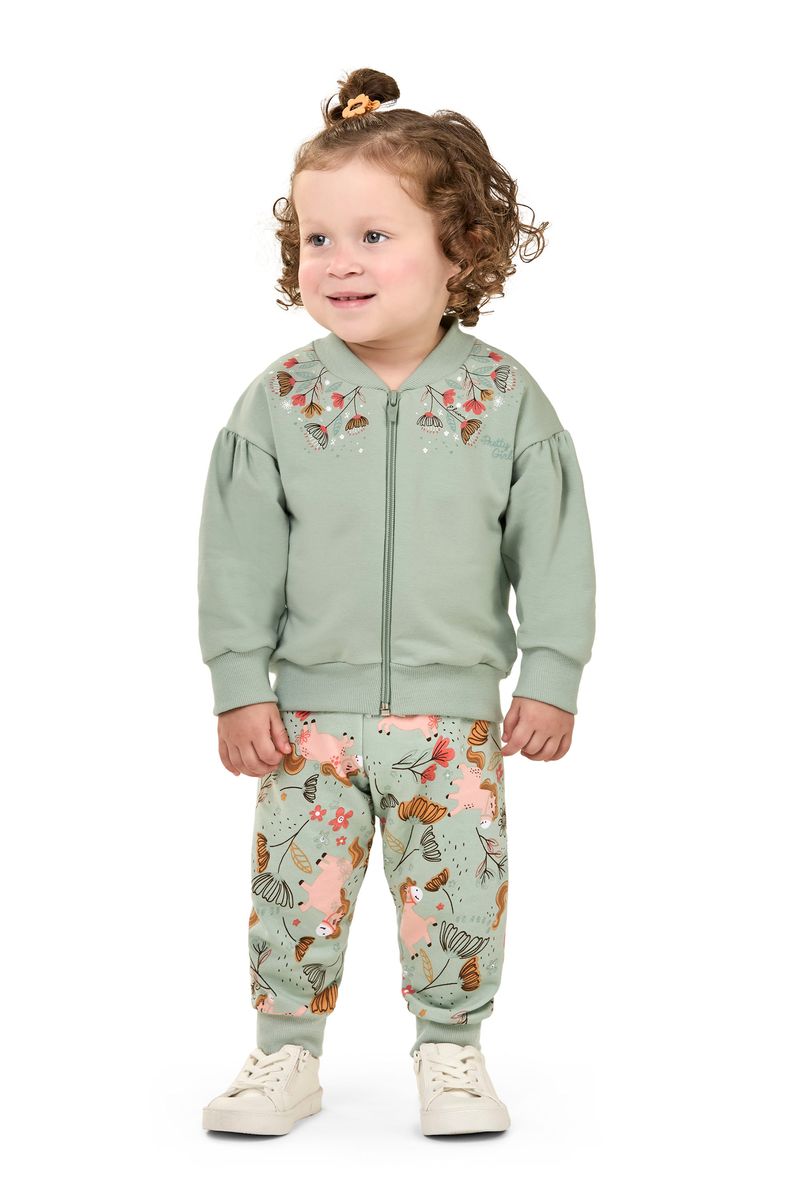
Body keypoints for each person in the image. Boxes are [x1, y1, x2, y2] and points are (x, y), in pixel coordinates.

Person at [197, 67, 596, 1138]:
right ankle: (286, 1054)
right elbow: (236, 555)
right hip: (307, 718)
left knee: (459, 889)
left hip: (451, 717)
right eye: (317, 239)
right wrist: (239, 684)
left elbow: (553, 548)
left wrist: (551, 673)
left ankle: (452, 1051)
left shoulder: (502, 398)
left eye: (373, 236)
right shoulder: (280, 402)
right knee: (295, 887)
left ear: (460, 248)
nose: (338, 261)